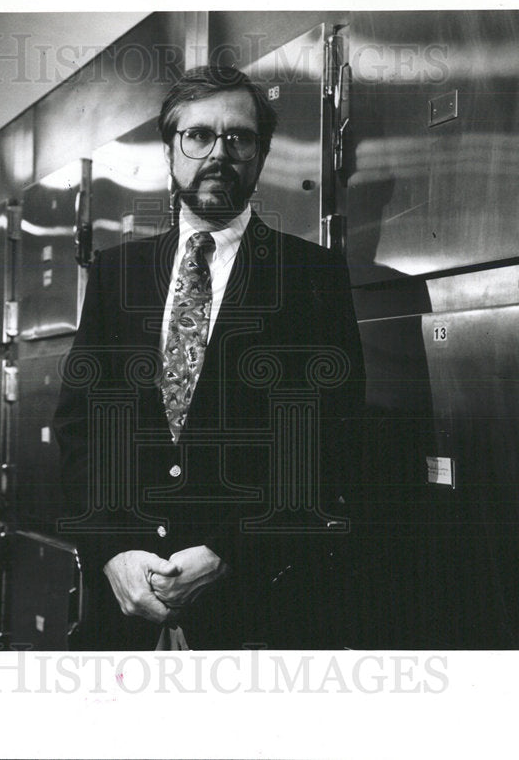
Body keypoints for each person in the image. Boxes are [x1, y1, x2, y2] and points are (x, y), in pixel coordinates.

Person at [53, 65, 365, 650]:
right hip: (123, 612)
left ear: (261, 154)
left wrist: (228, 553)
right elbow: (80, 430)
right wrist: (111, 549)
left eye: (239, 138)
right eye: (198, 136)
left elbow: (331, 438)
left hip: (257, 606)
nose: (219, 153)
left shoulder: (312, 276)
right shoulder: (117, 272)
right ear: (169, 151)